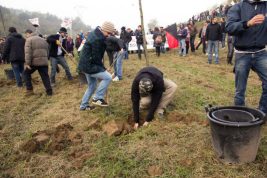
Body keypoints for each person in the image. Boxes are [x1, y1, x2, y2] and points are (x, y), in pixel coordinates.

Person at [226, 0, 267, 114]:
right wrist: (247, 23)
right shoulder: (237, 7)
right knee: (240, 89)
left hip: (261, 52)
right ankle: (240, 114)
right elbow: (229, 27)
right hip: (242, 53)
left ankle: (262, 112)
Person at [78, 21, 114, 110]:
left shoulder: (95, 33)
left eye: (110, 33)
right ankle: (97, 98)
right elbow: (96, 58)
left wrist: (102, 68)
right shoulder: (97, 39)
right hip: (89, 66)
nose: (109, 35)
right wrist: (103, 69)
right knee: (108, 77)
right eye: (108, 33)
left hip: (85, 64)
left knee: (92, 86)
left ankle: (83, 106)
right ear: (104, 30)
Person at [23, 29, 52, 96]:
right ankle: (49, 92)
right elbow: (47, 51)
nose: (26, 36)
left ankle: (29, 90)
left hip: (34, 62)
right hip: (44, 62)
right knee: (45, 77)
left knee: (26, 73)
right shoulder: (43, 40)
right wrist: (46, 59)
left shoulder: (29, 40)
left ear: (28, 33)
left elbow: (28, 53)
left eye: (26, 35)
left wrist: (27, 63)